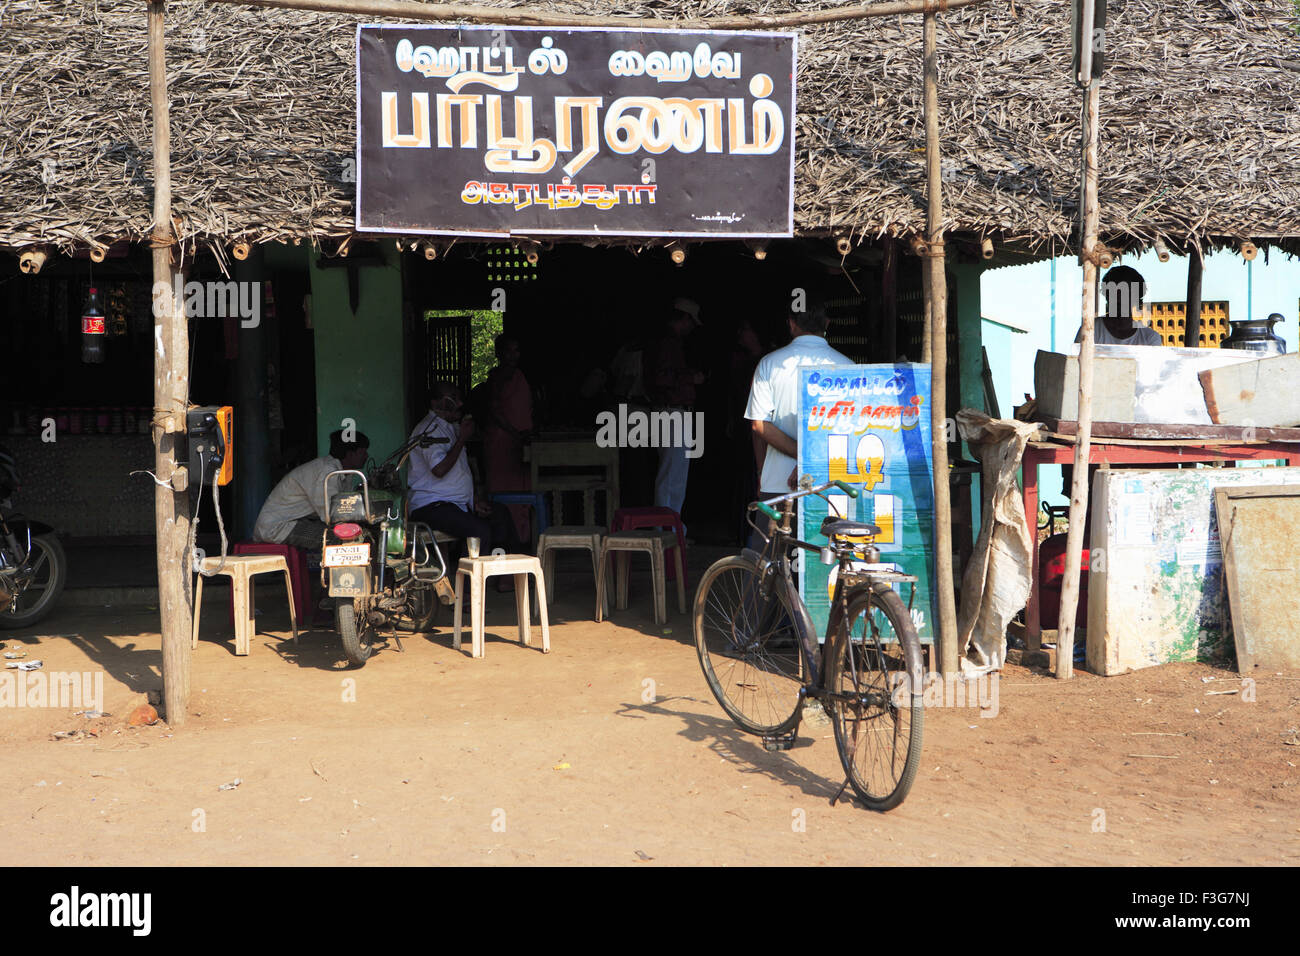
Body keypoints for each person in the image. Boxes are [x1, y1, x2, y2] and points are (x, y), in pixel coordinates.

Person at [745, 301, 851, 548]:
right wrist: (810, 460)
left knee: (766, 567)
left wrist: (763, 472)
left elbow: (759, 425)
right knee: (825, 564)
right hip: (830, 484)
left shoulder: (769, 364)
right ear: (827, 324)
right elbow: (848, 430)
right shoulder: (848, 367)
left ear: (791, 324)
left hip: (778, 484)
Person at [407, 382, 524, 582]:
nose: (459, 403)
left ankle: (504, 579)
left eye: (458, 397)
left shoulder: (450, 428)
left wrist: (473, 501)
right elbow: (439, 470)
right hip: (431, 506)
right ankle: (468, 592)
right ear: (435, 403)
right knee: (478, 531)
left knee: (500, 515)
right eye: (452, 398)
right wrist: (462, 440)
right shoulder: (429, 430)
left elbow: (456, 474)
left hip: (453, 504)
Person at [253, 428, 370, 562]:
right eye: (363, 452)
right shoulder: (327, 473)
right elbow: (330, 516)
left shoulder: (343, 472)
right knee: (338, 537)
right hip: (277, 527)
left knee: (348, 533)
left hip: (294, 522)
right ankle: (337, 580)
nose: (366, 456)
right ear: (350, 454)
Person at [645, 297, 705, 518]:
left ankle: (671, 526)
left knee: (672, 475)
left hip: (670, 412)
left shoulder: (666, 342)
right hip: (672, 412)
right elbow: (661, 378)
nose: (691, 328)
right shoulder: (668, 342)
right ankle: (666, 529)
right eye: (690, 322)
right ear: (684, 318)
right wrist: (690, 377)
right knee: (672, 476)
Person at [482, 334, 534, 542]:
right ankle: (504, 540)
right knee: (503, 492)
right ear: (498, 354)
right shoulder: (496, 377)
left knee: (522, 490)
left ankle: (522, 538)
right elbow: (495, 411)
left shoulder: (519, 376)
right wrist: (515, 434)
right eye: (508, 351)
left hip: (518, 442)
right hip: (501, 442)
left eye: (516, 351)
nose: (513, 356)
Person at [1076, 265, 1162, 346]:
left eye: (1126, 294)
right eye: (1115, 293)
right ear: (1107, 296)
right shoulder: (1089, 330)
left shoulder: (1150, 338)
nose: (1119, 299)